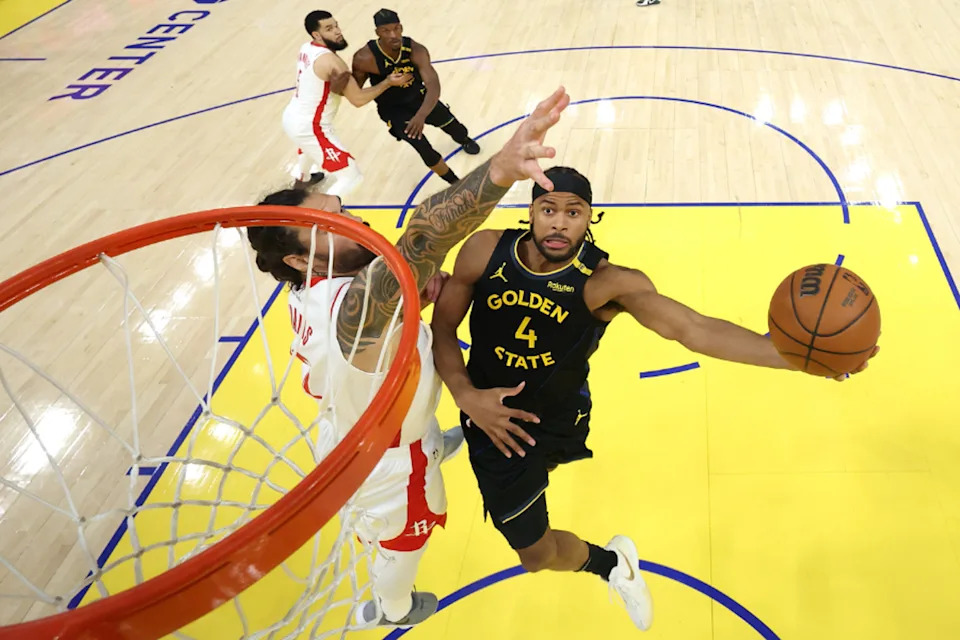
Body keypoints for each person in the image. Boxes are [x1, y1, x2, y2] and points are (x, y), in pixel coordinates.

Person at [429, 166, 880, 632]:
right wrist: (466, 396)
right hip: (488, 414)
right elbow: (442, 327)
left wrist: (802, 359)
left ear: (590, 219)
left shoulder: (607, 283)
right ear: (530, 214)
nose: (559, 224)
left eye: (573, 213)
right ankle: (605, 560)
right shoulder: (485, 251)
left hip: (554, 415)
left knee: (536, 553)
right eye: (548, 210)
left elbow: (694, 329)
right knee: (534, 550)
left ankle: (612, 562)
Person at [248, 87, 573, 628]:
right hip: (391, 464)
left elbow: (378, 303)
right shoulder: (352, 312)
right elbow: (422, 240)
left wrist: (409, 301)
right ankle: (391, 608)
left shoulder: (311, 282)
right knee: (404, 540)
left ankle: (431, 443)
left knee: (413, 399)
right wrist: (498, 170)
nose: (348, 223)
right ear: (297, 255)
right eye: (328, 227)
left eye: (341, 211)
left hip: (353, 427)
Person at [282, 10, 411, 195]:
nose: (337, 31)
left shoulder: (306, 48)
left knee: (307, 147)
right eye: (329, 28)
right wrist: (388, 82)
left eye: (336, 25)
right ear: (316, 35)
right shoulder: (333, 63)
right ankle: (321, 217)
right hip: (310, 126)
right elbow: (357, 99)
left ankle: (303, 180)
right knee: (352, 177)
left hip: (292, 115)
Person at [351, 8, 481, 186]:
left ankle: (464, 140)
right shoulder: (364, 58)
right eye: (386, 31)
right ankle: (456, 184)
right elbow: (355, 91)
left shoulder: (415, 50)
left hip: (419, 98)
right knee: (424, 149)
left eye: (397, 29)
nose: (393, 35)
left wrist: (420, 116)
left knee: (455, 128)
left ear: (402, 27)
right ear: (377, 33)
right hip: (393, 110)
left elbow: (433, 85)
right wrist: (386, 83)